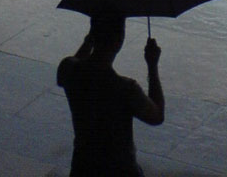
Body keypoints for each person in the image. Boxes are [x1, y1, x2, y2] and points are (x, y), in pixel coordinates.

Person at [57, 12, 164, 177]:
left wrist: (89, 41)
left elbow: (75, 62)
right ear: (119, 41)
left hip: (83, 168)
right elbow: (156, 116)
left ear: (93, 32)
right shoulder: (125, 89)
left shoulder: (68, 70)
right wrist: (152, 65)